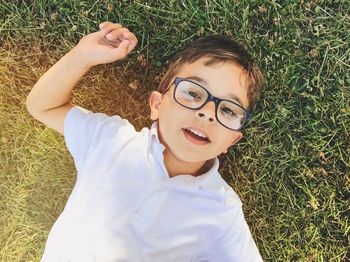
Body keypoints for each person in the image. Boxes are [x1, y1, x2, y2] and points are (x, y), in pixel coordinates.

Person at [26, 21, 264, 262]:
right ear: (157, 105)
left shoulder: (223, 211)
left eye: (228, 110)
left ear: (230, 142)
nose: (208, 112)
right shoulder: (111, 140)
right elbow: (44, 106)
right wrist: (82, 55)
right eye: (193, 93)